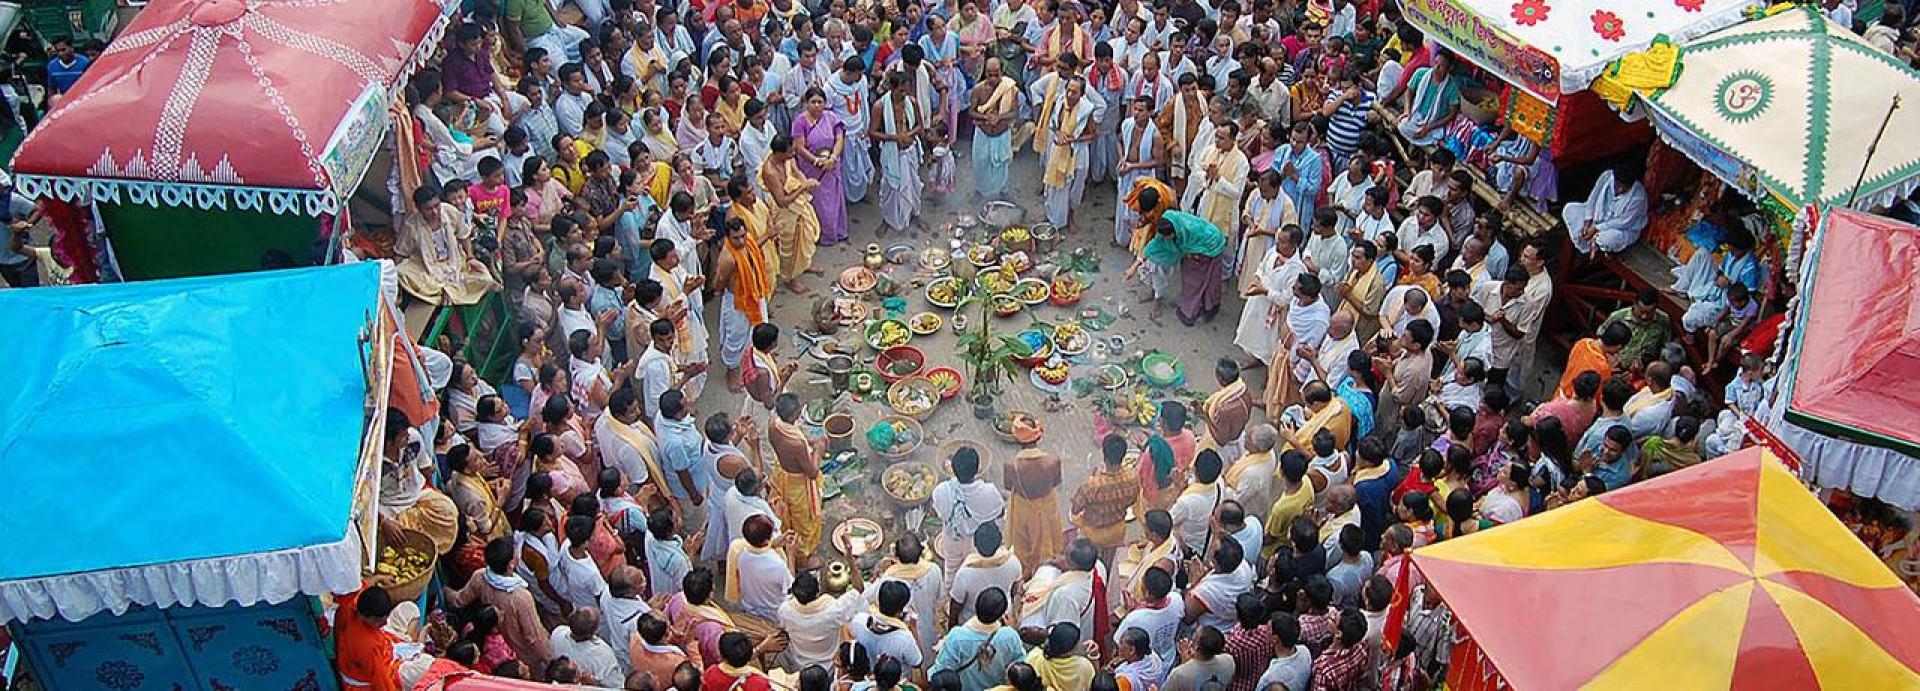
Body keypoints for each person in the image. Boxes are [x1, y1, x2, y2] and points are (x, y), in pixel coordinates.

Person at [449, 537, 555, 671]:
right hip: (524, 655)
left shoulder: (480, 577)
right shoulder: (521, 597)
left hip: (499, 647)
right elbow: (533, 637)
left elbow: (459, 600)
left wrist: (445, 591)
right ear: (510, 564)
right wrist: (552, 660)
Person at [396, 185, 499, 305]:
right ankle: (444, 290)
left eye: (437, 206)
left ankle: (448, 291)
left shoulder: (449, 211)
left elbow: (464, 235)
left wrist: (470, 257)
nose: (435, 212)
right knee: (401, 271)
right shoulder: (411, 225)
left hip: (456, 262)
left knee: (484, 278)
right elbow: (401, 253)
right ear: (419, 209)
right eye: (429, 209)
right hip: (428, 269)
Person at [931, 446, 1007, 593]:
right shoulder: (989, 491)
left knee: (951, 570)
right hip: (977, 542)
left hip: (952, 538)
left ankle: (950, 595)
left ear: (953, 469)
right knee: (975, 569)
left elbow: (937, 512)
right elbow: (1000, 512)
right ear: (977, 469)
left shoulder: (942, 490)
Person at [712, 217, 773, 391]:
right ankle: (732, 371)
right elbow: (718, 283)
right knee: (736, 338)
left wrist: (767, 235)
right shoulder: (727, 258)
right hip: (738, 302)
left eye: (743, 236)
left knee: (759, 331)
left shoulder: (749, 241)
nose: (740, 241)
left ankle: (756, 361)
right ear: (728, 237)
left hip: (756, 294)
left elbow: (754, 247)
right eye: (736, 238)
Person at [1139, 211, 1230, 326]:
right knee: (1193, 280)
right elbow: (1154, 245)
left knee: (1196, 281)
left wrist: (1192, 254)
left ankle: (1192, 311)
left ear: (1174, 232)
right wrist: (1135, 265)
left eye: (1167, 237)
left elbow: (1186, 247)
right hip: (1199, 248)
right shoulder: (1169, 225)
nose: (1165, 239)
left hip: (1210, 247)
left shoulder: (1189, 233)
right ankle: (1197, 307)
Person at [1183, 120, 1252, 270]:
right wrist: (1206, 177)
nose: (1217, 141)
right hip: (1206, 204)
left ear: (1233, 139)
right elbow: (1196, 171)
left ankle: (1224, 276)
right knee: (1202, 239)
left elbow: (1236, 192)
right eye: (1216, 136)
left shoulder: (1241, 162)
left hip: (1227, 212)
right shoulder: (1209, 151)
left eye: (1222, 138)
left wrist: (1218, 179)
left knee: (1226, 249)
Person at [1234, 225, 1307, 367]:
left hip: (1274, 310)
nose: (1278, 243)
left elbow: (1286, 298)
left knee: (1269, 342)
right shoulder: (1274, 251)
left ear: (1294, 245)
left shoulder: (1296, 269)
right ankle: (1254, 358)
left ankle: (1269, 369)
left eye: (1283, 242)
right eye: (1278, 239)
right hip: (1257, 301)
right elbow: (1261, 267)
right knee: (1254, 332)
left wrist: (1265, 291)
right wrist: (1257, 279)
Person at [866, 534, 946, 662]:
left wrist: (878, 574)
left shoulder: (889, 579)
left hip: (901, 633)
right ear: (921, 552)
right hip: (928, 628)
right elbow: (941, 599)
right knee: (928, 658)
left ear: (897, 556)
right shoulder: (934, 570)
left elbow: (867, 598)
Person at [930, 587, 1028, 691]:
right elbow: (1020, 665)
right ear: (1001, 614)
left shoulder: (957, 637)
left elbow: (941, 670)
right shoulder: (1010, 636)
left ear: (976, 606)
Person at [1039, 74, 1101, 232]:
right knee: (1054, 187)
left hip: (1078, 152)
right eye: (1068, 90)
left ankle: (1070, 215)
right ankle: (1051, 217)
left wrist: (1074, 139)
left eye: (1074, 92)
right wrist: (1059, 134)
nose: (1069, 95)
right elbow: (1054, 125)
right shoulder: (1060, 102)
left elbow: (1092, 135)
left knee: (1075, 188)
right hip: (1058, 150)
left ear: (1082, 94)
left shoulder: (1087, 109)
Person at [761, 133, 823, 293]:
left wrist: (805, 182)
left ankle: (804, 264)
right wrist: (803, 188)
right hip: (784, 212)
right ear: (779, 153)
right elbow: (782, 201)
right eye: (790, 152)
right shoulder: (770, 172)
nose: (793, 154)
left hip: (798, 204)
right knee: (789, 247)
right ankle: (789, 278)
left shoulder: (788, 159)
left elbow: (797, 172)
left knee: (805, 236)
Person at [767, 393, 824, 565]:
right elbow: (812, 472)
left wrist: (810, 442)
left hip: (781, 474)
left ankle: (791, 544)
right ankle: (802, 558)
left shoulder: (773, 425)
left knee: (789, 515)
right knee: (804, 522)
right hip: (797, 484)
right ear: (794, 415)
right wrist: (818, 450)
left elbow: (793, 441)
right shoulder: (796, 444)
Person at [1005, 419, 1065, 576]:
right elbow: (1056, 482)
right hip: (1047, 507)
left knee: (1022, 545)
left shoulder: (1011, 465)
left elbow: (1008, 486)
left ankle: (1024, 575)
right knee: (1048, 541)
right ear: (1038, 437)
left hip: (1022, 508)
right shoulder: (1053, 461)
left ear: (1017, 440)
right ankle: (1046, 573)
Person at [1018, 539, 1104, 648]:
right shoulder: (1097, 567)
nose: (1062, 558)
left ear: (1072, 564)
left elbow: (1063, 635)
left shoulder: (1065, 596)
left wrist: (1033, 632)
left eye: (1065, 556)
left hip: (1068, 648)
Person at [1071, 434, 1142, 566]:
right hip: (1117, 531)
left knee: (1090, 562)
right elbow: (1133, 501)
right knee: (1109, 561)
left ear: (1104, 456)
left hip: (1093, 533)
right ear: (1123, 455)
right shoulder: (1133, 478)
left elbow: (1075, 508)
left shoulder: (1092, 485)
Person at [792, 87, 851, 244]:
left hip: (831, 166)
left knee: (834, 200)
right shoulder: (800, 122)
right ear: (806, 103)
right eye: (813, 102)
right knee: (819, 203)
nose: (817, 105)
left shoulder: (831, 118)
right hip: (812, 169)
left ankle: (837, 231)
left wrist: (833, 158)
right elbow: (799, 147)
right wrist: (816, 161)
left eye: (820, 102)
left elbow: (839, 139)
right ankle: (820, 234)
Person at [778, 571, 865, 670]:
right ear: (818, 592)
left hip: (800, 663)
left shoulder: (785, 611)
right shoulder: (833, 611)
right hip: (829, 665)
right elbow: (859, 589)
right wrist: (851, 562)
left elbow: (783, 628)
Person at [1565, 160, 1650, 256]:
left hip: (1621, 229)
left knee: (1609, 238)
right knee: (1570, 209)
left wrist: (1597, 228)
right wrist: (1587, 222)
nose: (1620, 190)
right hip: (1597, 219)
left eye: (1625, 188)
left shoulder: (1639, 197)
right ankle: (1589, 243)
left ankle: (1596, 242)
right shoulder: (1606, 176)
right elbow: (1592, 199)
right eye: (1618, 185)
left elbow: (1623, 222)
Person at [1115, 96, 1168, 246]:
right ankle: (1122, 239)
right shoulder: (1127, 124)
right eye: (1135, 109)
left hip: (1143, 177)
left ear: (1150, 112)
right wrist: (1122, 159)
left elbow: (1158, 161)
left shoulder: (1155, 135)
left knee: (1138, 211)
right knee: (1122, 206)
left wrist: (1134, 166)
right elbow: (1119, 141)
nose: (1136, 113)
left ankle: (1137, 243)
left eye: (1141, 110)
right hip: (1126, 172)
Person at [334, 586, 404, 691]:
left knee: (409, 608)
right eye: (379, 621)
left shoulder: (347, 608)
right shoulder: (367, 647)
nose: (385, 623)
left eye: (386, 618)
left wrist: (380, 578)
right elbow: (382, 682)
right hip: (369, 681)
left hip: (383, 651)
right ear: (366, 616)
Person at [971, 57, 1021, 200]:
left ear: (1002, 72)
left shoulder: (1010, 89)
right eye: (989, 74)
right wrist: (986, 118)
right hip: (983, 133)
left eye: (996, 74)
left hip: (1002, 133)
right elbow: (972, 112)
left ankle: (1002, 191)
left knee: (1002, 165)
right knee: (980, 164)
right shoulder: (978, 89)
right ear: (985, 73)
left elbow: (1015, 113)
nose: (993, 78)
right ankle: (980, 191)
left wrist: (999, 118)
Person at [850, 581, 924, 668]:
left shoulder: (859, 620)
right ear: (899, 612)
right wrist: (913, 629)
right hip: (895, 676)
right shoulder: (904, 639)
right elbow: (917, 662)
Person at [1597, 289, 1673, 371]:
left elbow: (1665, 345)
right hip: (1612, 366)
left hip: (1642, 370)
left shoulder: (1663, 321)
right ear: (1635, 304)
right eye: (1641, 311)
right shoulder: (1618, 316)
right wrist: (1609, 356)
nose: (1644, 316)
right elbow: (1600, 338)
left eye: (1649, 313)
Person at [1396, 50, 1459, 147]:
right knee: (1403, 125)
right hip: (1416, 117)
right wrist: (1407, 111)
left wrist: (1429, 127)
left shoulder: (1452, 87)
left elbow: (1452, 114)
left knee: (1437, 135)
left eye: (1441, 66)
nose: (1436, 68)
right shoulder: (1421, 73)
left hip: (1435, 124)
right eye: (1436, 63)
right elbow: (1409, 91)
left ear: (1449, 68)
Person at [549, 608, 622, 687]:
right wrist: (594, 683)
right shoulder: (603, 654)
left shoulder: (558, 633)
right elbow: (616, 686)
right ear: (594, 631)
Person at [1201, 358, 1253, 459]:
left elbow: (1221, 440)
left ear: (1220, 379)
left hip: (1226, 448)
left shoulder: (1224, 410)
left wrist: (1203, 415)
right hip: (1238, 434)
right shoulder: (1243, 389)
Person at [1308, 609, 1369, 691]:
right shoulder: (1361, 648)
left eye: (1334, 619)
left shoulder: (1323, 669)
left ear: (1338, 634)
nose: (1330, 616)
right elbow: (1361, 680)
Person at [1024, 623, 1097, 691]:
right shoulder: (1083, 666)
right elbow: (1095, 685)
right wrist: (1094, 656)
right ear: (1068, 651)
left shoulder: (1035, 656)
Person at [1161, 626, 1233, 691]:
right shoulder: (1228, 661)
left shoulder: (1179, 674)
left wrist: (1184, 664)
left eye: (1195, 635)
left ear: (1196, 647)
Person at [1111, 627, 1170, 691]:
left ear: (1132, 650)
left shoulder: (1124, 680)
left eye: (1121, 642)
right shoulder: (1155, 659)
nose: (1119, 646)